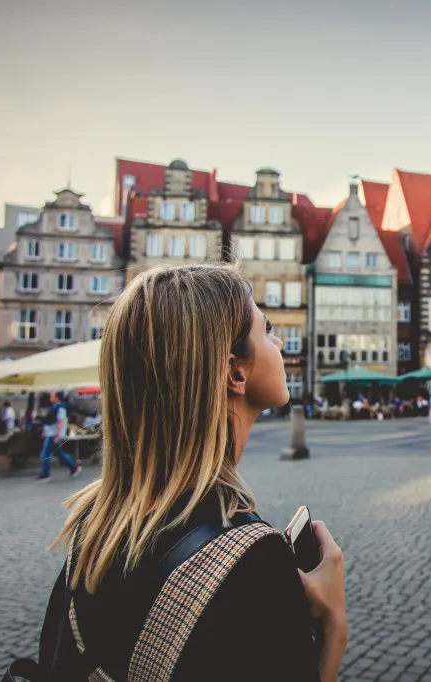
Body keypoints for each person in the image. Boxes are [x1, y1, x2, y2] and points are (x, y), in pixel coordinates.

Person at [36, 264, 347, 681]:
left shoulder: (94, 526)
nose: (278, 341)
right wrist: (333, 628)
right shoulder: (252, 560)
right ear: (235, 371)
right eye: (266, 328)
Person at [36, 391, 81, 482]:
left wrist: (57, 435)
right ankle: (73, 468)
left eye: (52, 395)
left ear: (57, 397)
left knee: (45, 454)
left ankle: (45, 474)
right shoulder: (56, 407)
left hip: (53, 435)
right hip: (52, 434)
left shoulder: (60, 408)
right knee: (59, 454)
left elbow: (60, 421)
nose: (50, 397)